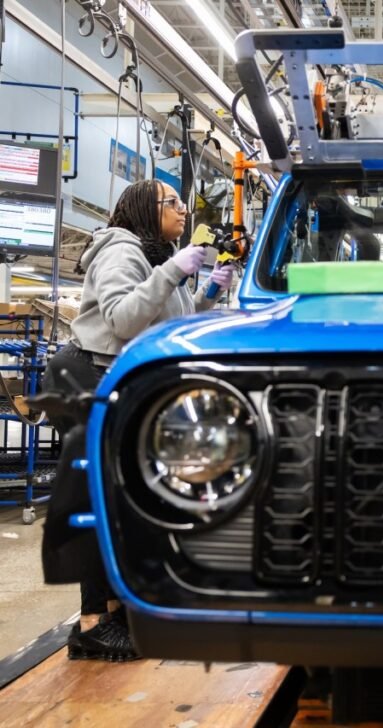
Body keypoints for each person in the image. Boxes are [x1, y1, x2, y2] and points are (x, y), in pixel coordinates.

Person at [40, 180, 233, 662]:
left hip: (118, 380)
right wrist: (172, 269)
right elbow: (124, 320)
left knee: (123, 498)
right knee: (95, 500)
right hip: (86, 375)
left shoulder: (150, 254)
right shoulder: (121, 251)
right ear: (148, 209)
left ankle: (115, 610)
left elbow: (168, 324)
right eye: (173, 203)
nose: (183, 210)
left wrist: (208, 292)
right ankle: (90, 626)